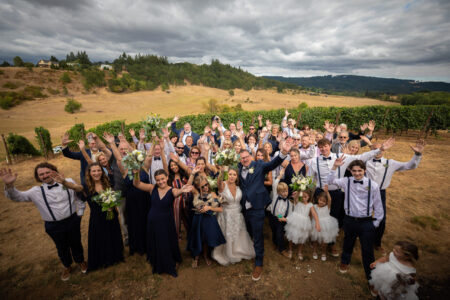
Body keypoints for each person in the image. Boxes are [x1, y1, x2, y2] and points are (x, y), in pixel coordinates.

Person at [1, 163, 87, 281]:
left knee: (76, 242)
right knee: (61, 247)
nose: (45, 176)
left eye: (47, 172)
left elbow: (79, 197)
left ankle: (80, 261)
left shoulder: (68, 181)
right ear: (38, 177)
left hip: (72, 220)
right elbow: (17, 197)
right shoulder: (35, 191)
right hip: (53, 225)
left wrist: (80, 214)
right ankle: (67, 266)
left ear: (54, 171)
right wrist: (9, 185)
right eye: (41, 174)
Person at [238, 140, 290, 281]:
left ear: (250, 155)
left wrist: (283, 152)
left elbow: (272, 164)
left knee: (258, 235)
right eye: (242, 158)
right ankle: (249, 252)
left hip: (258, 207)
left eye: (246, 157)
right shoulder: (238, 167)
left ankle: (259, 262)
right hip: (244, 208)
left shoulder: (259, 165)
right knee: (248, 232)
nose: (244, 159)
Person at [327, 158, 384, 284]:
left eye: (360, 171)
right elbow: (330, 181)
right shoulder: (346, 181)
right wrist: (334, 167)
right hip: (350, 220)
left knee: (368, 250)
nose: (357, 173)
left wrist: (375, 223)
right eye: (354, 171)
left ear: (364, 170)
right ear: (350, 171)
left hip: (366, 221)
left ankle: (371, 278)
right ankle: (345, 261)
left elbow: (379, 206)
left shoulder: (373, 185)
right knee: (348, 242)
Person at [366, 139, 425, 256]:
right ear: (371, 150)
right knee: (363, 217)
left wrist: (417, 154)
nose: (378, 151)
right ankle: (363, 240)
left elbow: (410, 165)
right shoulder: (365, 161)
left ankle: (377, 243)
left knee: (381, 219)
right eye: (375, 148)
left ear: (384, 150)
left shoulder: (390, 163)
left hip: (380, 193)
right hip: (364, 193)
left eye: (381, 148)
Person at [133, 169, 192, 277]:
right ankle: (156, 259)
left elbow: (178, 192)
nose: (160, 182)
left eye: (162, 179)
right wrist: (136, 173)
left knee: (165, 241)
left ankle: (169, 262)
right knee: (156, 240)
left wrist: (182, 189)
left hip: (166, 222)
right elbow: (136, 184)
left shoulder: (172, 190)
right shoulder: (152, 188)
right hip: (152, 220)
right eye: (158, 180)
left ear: (166, 178)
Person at [212, 168, 255, 265]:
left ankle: (238, 249)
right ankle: (228, 253)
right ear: (227, 175)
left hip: (237, 214)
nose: (232, 176)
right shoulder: (223, 184)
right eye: (230, 174)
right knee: (228, 233)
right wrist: (222, 171)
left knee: (238, 232)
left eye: (234, 174)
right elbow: (218, 182)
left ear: (237, 176)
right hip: (226, 215)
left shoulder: (238, 187)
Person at [187, 174, 226, 268]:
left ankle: (205, 256)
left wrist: (209, 207)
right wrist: (192, 174)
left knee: (206, 239)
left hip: (209, 219)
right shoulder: (196, 193)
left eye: (206, 184)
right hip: (198, 219)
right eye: (202, 186)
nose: (205, 187)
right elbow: (187, 186)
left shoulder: (212, 194)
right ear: (198, 187)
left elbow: (221, 209)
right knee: (198, 237)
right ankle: (196, 258)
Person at [283, 188, 320, 261]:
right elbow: (296, 196)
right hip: (295, 221)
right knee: (291, 235)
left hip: (304, 224)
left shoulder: (310, 205)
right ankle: (290, 250)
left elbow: (314, 214)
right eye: (302, 196)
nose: (303, 198)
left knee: (302, 238)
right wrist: (300, 188)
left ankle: (300, 252)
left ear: (309, 197)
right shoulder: (298, 201)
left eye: (305, 197)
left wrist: (317, 223)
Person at [266, 168, 292, 258]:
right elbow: (275, 184)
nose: (285, 193)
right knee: (273, 231)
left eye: (286, 191)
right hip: (272, 217)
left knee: (279, 234)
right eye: (283, 191)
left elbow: (290, 215)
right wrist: (280, 176)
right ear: (278, 192)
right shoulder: (275, 196)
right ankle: (275, 243)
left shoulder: (289, 203)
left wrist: (285, 219)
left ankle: (282, 249)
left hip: (280, 219)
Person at [310, 186, 339, 261]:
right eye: (320, 200)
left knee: (324, 241)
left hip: (326, 226)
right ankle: (314, 251)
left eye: (324, 201)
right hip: (316, 225)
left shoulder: (327, 207)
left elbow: (330, 199)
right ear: (318, 199)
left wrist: (327, 192)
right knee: (315, 240)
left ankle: (323, 253)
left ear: (326, 202)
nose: (321, 202)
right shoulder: (315, 206)